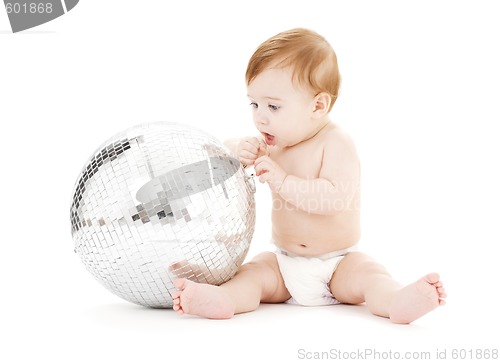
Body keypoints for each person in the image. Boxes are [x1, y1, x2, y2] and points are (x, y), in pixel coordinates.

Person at [172, 28, 446, 323]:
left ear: (318, 105)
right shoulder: (277, 140)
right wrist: (240, 148)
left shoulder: (335, 143)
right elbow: (224, 150)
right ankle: (225, 299)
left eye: (273, 106)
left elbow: (334, 199)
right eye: (254, 104)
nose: (260, 117)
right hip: (284, 262)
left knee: (369, 276)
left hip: (337, 264)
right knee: (252, 274)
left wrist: (282, 180)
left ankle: (396, 301)